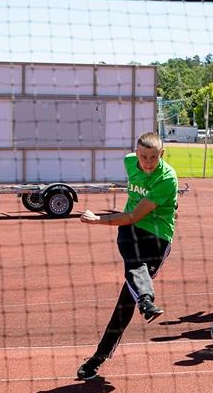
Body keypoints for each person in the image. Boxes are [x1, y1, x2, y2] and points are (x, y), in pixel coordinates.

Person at [76, 132, 178, 380]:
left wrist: (97, 220)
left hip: (157, 237)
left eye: (154, 157)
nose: (148, 163)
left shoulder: (167, 178)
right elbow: (130, 221)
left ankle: (98, 357)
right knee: (132, 262)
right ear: (136, 153)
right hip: (130, 231)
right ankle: (145, 299)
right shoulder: (129, 161)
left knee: (125, 302)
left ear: (162, 155)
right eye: (143, 156)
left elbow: (134, 215)